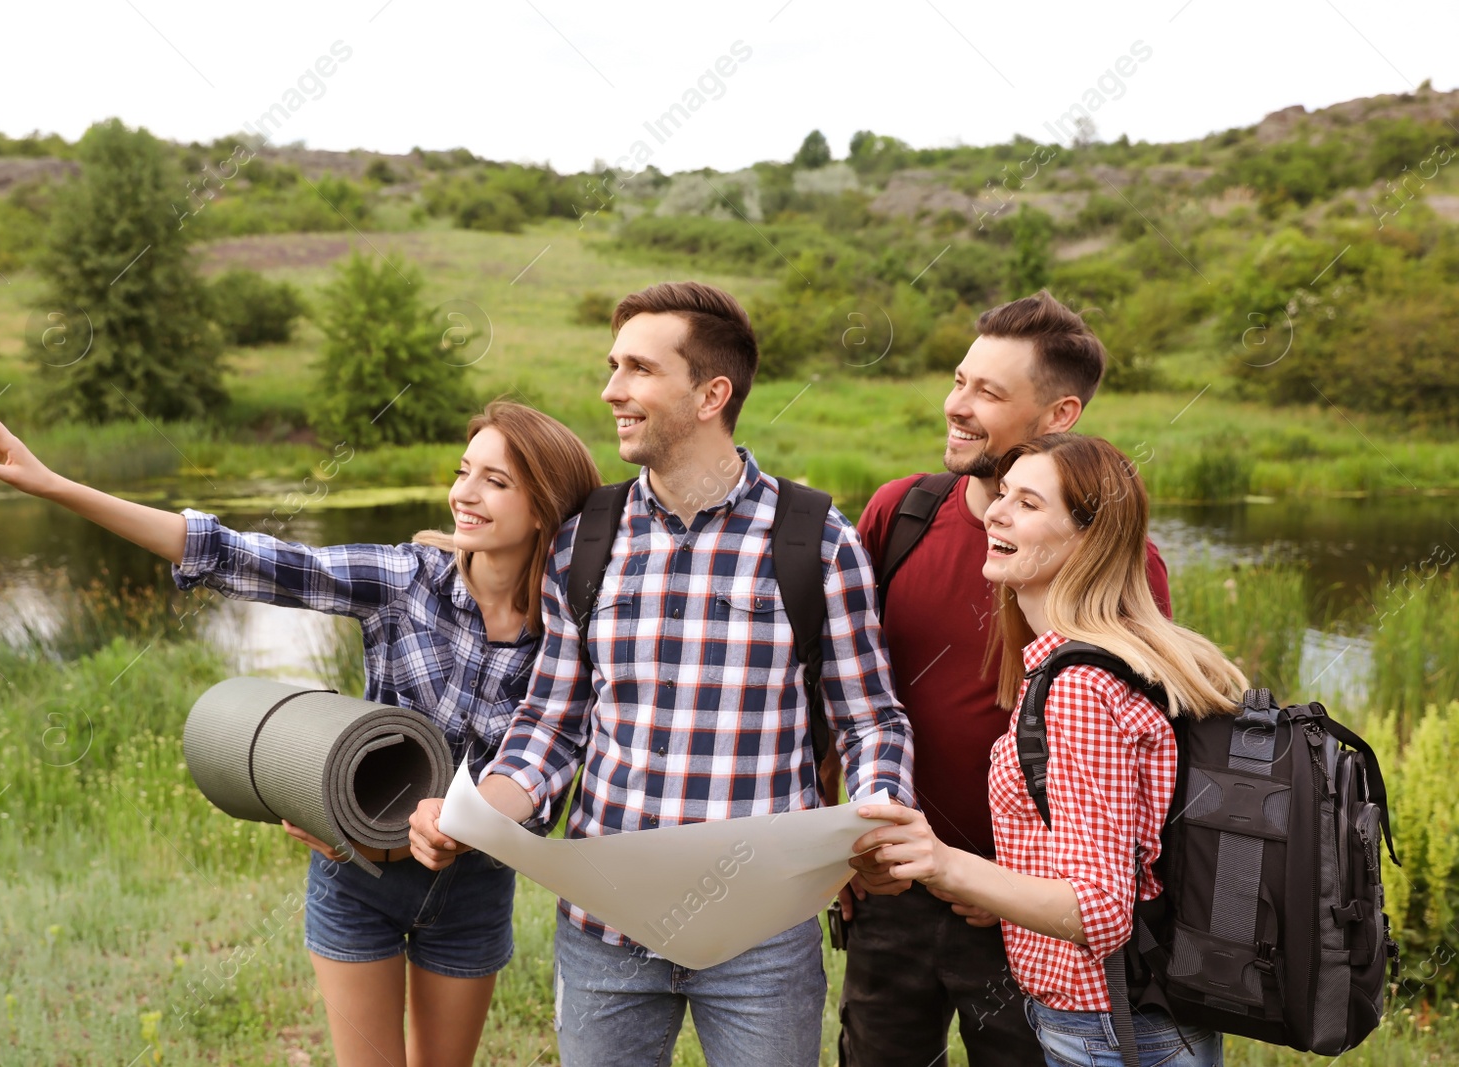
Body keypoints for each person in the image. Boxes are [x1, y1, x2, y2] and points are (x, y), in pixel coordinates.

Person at [0, 394, 602, 1067]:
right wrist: (53, 484)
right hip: (356, 873)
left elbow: (543, 763)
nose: (465, 493)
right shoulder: (409, 580)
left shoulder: (573, 634)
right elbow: (240, 556)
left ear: (544, 506)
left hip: (473, 890)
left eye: (496, 480)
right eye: (463, 471)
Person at [408, 281, 916, 1067]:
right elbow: (549, 725)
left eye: (639, 369)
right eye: (613, 365)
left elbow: (870, 719)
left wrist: (881, 808)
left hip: (761, 935)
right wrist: (475, 813)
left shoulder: (816, 540)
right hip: (604, 936)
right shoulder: (586, 538)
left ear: (713, 393)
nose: (612, 389)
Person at [840, 290, 1173, 1067]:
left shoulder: (1123, 566)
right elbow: (849, 693)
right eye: (959, 380)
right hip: (893, 890)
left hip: (1035, 919)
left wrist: (1009, 885)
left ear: (1058, 415)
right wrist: (840, 838)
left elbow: (1135, 750)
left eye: (988, 392)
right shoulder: (902, 514)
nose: (957, 405)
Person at [853, 432, 1241, 1067]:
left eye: (1028, 504)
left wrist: (941, 862)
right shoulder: (1093, 661)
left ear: (1086, 539)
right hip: (1121, 1019)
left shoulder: (1081, 687)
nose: (996, 512)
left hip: (1107, 1031)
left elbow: (1100, 911)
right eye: (1002, 494)